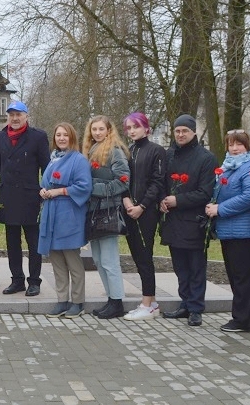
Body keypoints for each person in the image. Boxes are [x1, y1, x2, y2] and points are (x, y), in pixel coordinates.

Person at [0, 101, 50, 296]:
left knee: (33, 243)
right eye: (11, 115)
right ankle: (17, 280)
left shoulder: (38, 137)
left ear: (26, 116)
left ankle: (34, 281)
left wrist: (46, 190)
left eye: (19, 114)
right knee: (12, 242)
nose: (15, 118)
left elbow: (47, 167)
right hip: (8, 196)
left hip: (30, 197)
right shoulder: (1, 137)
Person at [205, 130, 250, 333]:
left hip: (246, 232)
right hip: (229, 230)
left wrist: (219, 209)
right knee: (236, 276)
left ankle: (242, 320)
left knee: (242, 277)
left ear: (247, 145)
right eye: (231, 144)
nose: (234, 148)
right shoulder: (229, 166)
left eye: (239, 144)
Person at [159, 114, 216, 327]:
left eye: (185, 131)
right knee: (180, 266)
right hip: (173, 221)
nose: (181, 134)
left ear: (194, 132)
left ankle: (196, 308)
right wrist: (162, 200)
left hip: (194, 221)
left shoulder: (206, 158)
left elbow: (205, 192)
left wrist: (177, 200)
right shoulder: (169, 155)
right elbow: (161, 182)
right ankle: (185, 302)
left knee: (196, 267)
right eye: (177, 131)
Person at [38, 123, 92, 318]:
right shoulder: (53, 159)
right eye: (58, 135)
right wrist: (43, 190)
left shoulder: (78, 160)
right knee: (57, 261)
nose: (61, 138)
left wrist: (59, 191)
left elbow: (84, 187)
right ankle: (62, 300)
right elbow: (46, 182)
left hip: (69, 214)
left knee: (72, 260)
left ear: (72, 137)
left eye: (65, 135)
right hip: (51, 213)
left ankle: (78, 302)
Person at [83, 115, 131, 319]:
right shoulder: (90, 150)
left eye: (101, 129)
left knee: (110, 260)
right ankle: (110, 299)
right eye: (94, 129)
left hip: (108, 210)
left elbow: (123, 181)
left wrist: (94, 188)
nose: (97, 133)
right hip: (93, 211)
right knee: (98, 259)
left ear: (109, 130)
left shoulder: (115, 152)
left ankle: (117, 302)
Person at [121, 112, 166, 320]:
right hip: (130, 210)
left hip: (146, 213)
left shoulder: (156, 151)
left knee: (145, 257)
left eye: (135, 127)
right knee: (138, 258)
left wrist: (143, 206)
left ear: (146, 128)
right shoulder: (129, 151)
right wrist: (128, 201)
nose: (132, 131)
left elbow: (157, 183)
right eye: (129, 128)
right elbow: (124, 179)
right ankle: (152, 301)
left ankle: (147, 303)